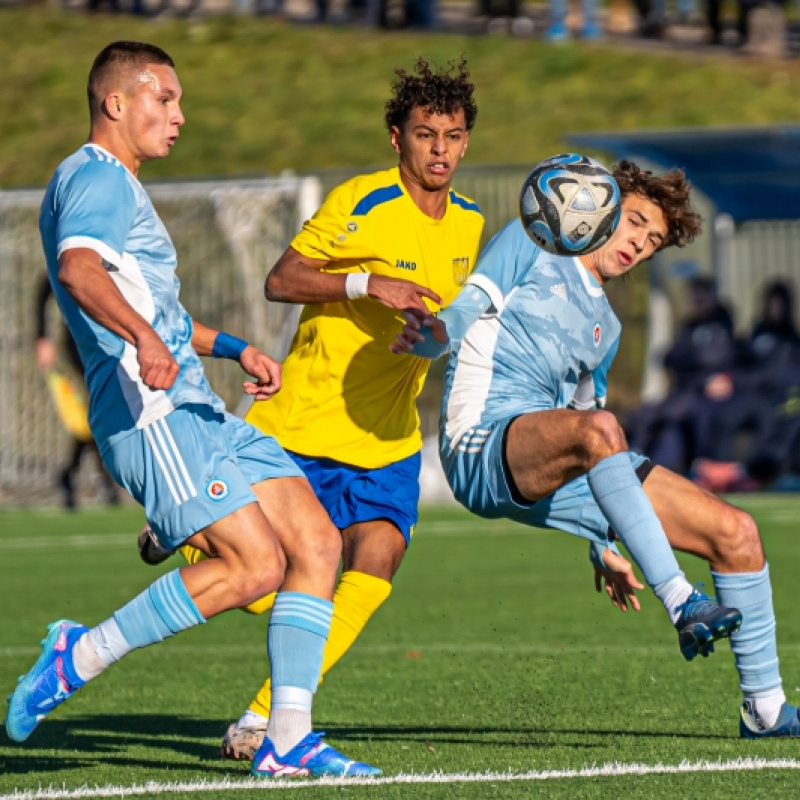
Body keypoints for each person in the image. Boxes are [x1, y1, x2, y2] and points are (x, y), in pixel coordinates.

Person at [4, 40, 379, 779]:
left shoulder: (119, 188)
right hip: (153, 415)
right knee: (254, 563)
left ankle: (289, 740)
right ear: (117, 103)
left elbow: (159, 311)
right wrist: (142, 339)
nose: (180, 115)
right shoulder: (96, 177)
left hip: (196, 406)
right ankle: (76, 655)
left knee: (317, 544)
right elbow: (79, 272)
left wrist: (233, 346)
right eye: (164, 99)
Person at [393, 160, 799, 737]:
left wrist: (599, 542)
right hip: (480, 442)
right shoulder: (534, 242)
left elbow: (587, 439)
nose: (640, 243)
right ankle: (683, 602)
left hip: (551, 454)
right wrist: (434, 335)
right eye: (634, 222)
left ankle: (765, 709)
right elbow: (465, 309)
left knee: (737, 533)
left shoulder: (605, 326)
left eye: (654, 240)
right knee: (603, 428)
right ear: (600, 208)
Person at [163, 56, 484, 760]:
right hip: (304, 425)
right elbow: (283, 279)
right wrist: (371, 285)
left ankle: (264, 720)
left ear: (466, 141)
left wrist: (432, 340)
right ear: (396, 138)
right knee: (261, 582)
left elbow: (446, 324)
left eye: (453, 136)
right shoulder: (363, 202)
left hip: (388, 437)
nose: (440, 150)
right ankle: (189, 528)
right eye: (425, 134)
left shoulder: (469, 224)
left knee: (378, 561)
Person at [35, 274, 120, 509]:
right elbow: (45, 286)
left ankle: (70, 475)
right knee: (94, 408)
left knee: (99, 410)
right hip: (80, 343)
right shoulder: (76, 245)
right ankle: (99, 479)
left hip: (109, 341)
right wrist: (42, 337)